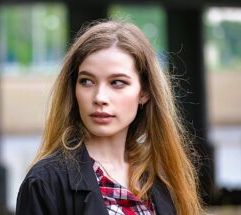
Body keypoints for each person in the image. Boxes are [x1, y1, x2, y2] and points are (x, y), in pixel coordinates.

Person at [16, 20, 203, 215]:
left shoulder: (162, 177)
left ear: (144, 92)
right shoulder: (45, 183)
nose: (100, 98)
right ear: (74, 89)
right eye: (87, 81)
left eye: (117, 82)